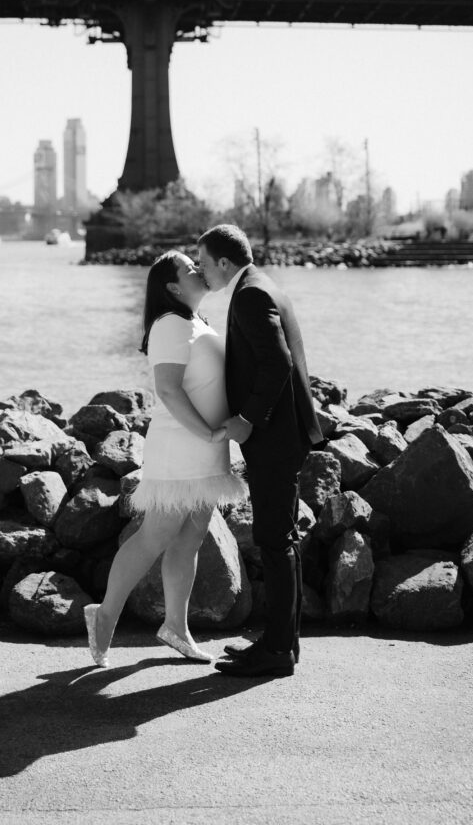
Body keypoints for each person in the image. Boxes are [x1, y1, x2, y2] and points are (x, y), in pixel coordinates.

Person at [84, 250, 245, 668]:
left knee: (191, 537)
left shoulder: (196, 322)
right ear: (173, 287)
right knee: (155, 535)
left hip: (207, 446)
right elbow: (169, 390)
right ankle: (104, 615)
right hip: (181, 445)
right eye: (190, 269)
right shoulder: (170, 324)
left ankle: (176, 627)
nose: (199, 270)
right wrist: (208, 432)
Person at [197, 224, 322, 678]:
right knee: (281, 539)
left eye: (204, 262)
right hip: (286, 433)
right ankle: (282, 645)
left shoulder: (250, 295)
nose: (200, 270)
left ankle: (276, 652)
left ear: (225, 263)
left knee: (274, 541)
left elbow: (277, 363)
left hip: (275, 437)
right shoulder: (263, 284)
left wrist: (247, 420)